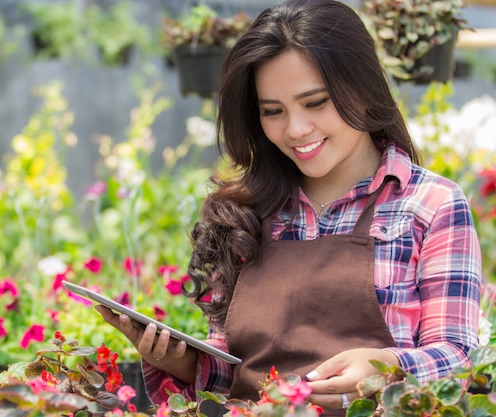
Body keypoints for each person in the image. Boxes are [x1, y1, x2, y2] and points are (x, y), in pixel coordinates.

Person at [97, 0, 483, 415]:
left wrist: (389, 367)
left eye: (315, 102)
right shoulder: (245, 213)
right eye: (273, 111)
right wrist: (181, 363)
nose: (296, 129)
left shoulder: (430, 204)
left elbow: (459, 360)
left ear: (363, 86)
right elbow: (235, 373)